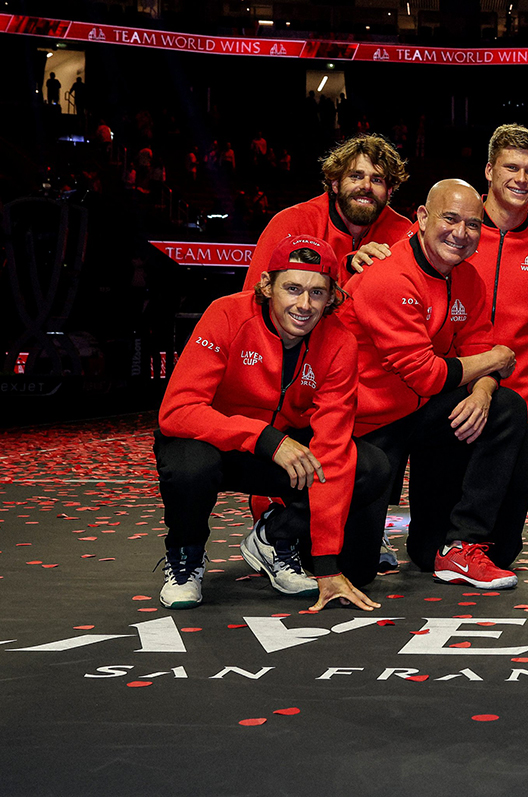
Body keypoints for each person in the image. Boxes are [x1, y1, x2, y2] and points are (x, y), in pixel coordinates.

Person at [153, 235, 386, 613]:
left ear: (331, 298)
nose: (304, 304)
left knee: (370, 466)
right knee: (189, 466)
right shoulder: (226, 314)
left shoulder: (340, 343)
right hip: (212, 442)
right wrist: (265, 438)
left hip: (279, 453)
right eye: (292, 289)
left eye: (317, 293)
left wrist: (326, 565)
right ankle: (185, 559)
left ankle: (276, 536)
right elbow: (177, 410)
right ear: (266, 285)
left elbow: (333, 449)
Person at [338, 180, 526, 589]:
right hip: (366, 424)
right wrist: (496, 359)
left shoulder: (468, 278)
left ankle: (459, 546)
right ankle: (279, 527)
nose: (461, 233)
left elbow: (475, 345)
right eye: (450, 219)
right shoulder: (388, 275)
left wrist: (482, 390)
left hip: (420, 411)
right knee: (356, 569)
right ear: (422, 218)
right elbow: (426, 372)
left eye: (473, 224)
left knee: (505, 406)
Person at [461, 124, 528, 564]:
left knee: (503, 551)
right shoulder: (456, 229)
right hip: (456, 397)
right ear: (488, 170)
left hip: (520, 406)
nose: (522, 179)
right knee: (428, 544)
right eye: (511, 167)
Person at [242, 134, 413, 292]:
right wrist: (346, 269)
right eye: (356, 176)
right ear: (336, 184)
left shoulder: (403, 233)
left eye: (377, 180)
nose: (366, 186)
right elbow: (254, 297)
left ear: (389, 190)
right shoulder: (292, 222)